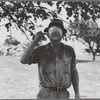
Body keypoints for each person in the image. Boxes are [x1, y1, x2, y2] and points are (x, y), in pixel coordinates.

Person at [20, 19, 80, 99]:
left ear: (63, 34)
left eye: (58, 30)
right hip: (45, 94)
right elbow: (23, 60)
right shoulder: (40, 50)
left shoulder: (69, 51)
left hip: (64, 95)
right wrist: (35, 40)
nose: (55, 33)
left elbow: (73, 72)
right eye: (52, 30)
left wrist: (77, 93)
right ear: (48, 34)